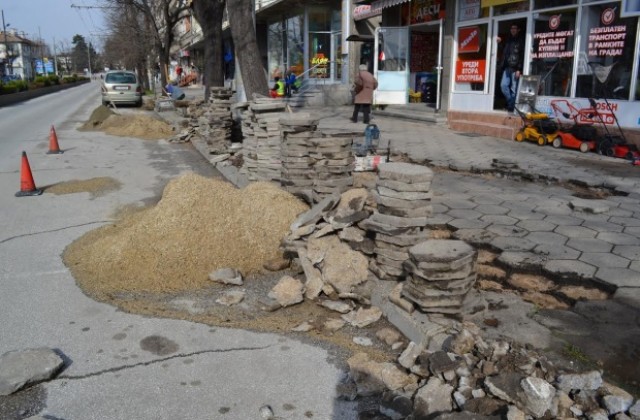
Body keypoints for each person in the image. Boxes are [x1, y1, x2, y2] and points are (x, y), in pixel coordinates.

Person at [498, 23, 525, 113]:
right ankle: (511, 103)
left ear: (518, 30)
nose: (513, 30)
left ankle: (511, 107)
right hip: (507, 68)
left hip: (515, 68)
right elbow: (505, 52)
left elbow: (521, 56)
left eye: (515, 28)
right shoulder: (508, 40)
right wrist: (500, 42)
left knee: (514, 89)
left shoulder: (521, 40)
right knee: (503, 86)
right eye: (511, 28)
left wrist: (519, 69)